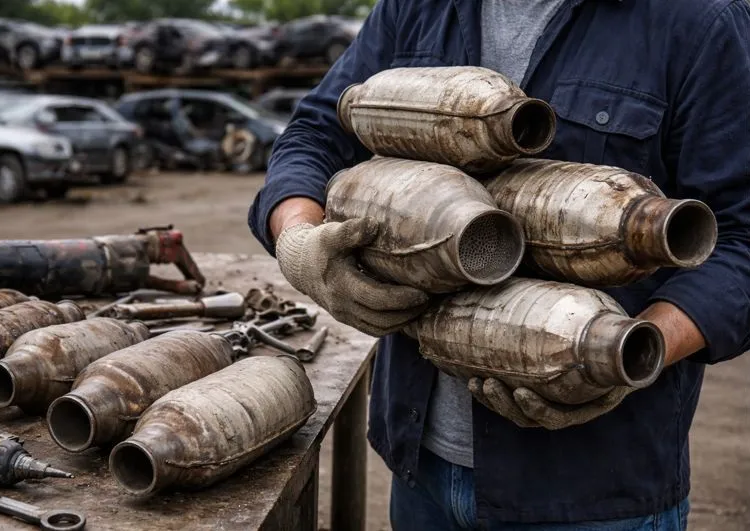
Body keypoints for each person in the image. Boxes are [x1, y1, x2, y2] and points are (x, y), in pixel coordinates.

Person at [248, 1, 750, 529]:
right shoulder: (416, 8)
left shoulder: (697, 20)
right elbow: (316, 134)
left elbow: (739, 239)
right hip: (424, 473)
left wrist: (631, 353)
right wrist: (299, 239)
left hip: (592, 489)